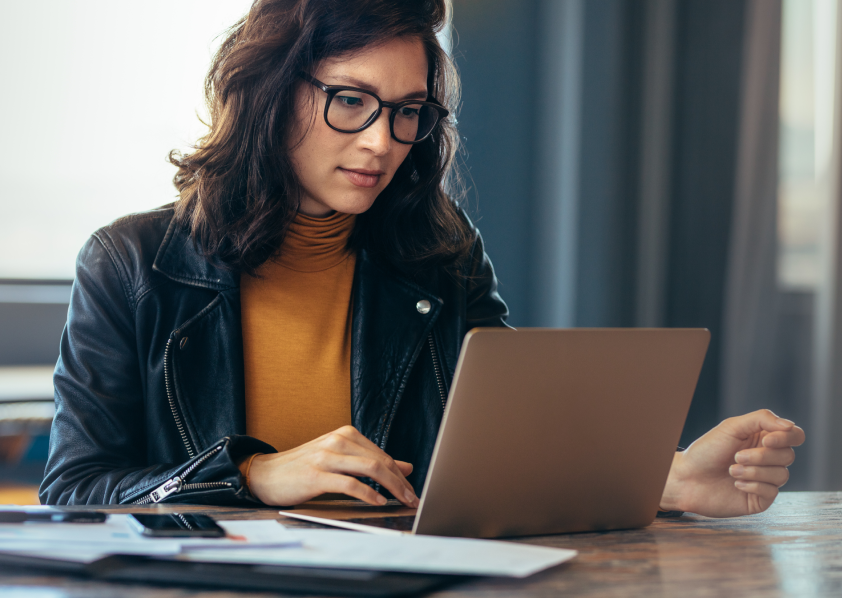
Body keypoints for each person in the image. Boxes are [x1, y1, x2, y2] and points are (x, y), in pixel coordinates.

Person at [40, 0, 804, 518]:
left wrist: (666, 478)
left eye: (408, 112)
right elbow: (74, 490)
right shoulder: (132, 263)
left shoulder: (439, 251)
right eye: (350, 100)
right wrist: (249, 476)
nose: (382, 141)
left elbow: (508, 449)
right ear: (269, 92)